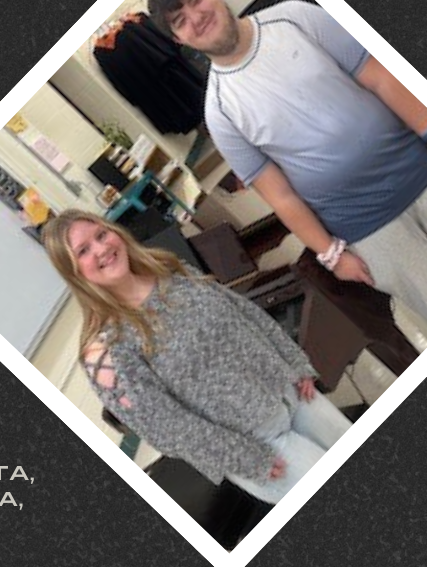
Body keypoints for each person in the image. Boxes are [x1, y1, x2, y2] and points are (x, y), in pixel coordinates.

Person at [148, 0, 427, 326]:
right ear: (178, 40)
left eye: (195, 0)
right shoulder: (219, 112)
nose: (196, 18)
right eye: (180, 20)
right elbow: (280, 196)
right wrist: (330, 255)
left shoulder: (293, 17)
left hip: (417, 168)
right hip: (369, 225)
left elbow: (380, 77)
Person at [42, 210, 351, 503]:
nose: (101, 249)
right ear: (74, 273)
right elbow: (167, 427)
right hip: (260, 445)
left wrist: (294, 363)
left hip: (292, 395)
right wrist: (242, 456)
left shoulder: (168, 270)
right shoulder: (105, 351)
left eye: (101, 234)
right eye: (83, 251)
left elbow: (243, 312)